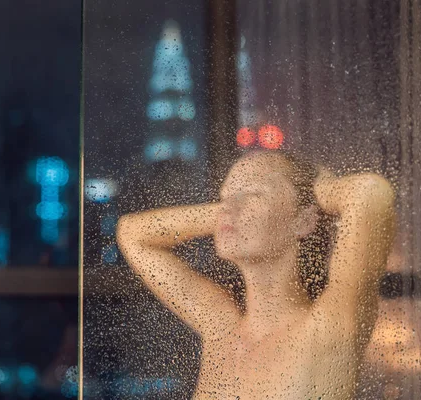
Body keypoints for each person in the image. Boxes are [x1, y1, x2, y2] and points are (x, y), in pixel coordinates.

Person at [116, 150, 396, 399]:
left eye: (252, 195)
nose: (228, 208)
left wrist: (309, 192)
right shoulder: (220, 329)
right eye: (224, 197)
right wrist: (232, 212)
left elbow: (369, 193)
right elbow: (132, 233)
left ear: (304, 220)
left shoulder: (328, 328)